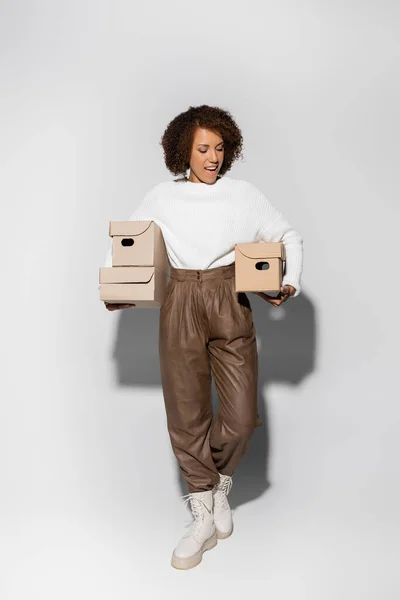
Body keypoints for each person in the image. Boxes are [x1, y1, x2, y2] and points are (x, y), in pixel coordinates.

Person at [103, 105, 303, 570]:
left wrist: (288, 280)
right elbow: (128, 240)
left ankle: (218, 484)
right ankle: (201, 510)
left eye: (219, 148)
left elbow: (286, 233)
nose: (213, 157)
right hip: (180, 300)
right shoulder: (161, 197)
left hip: (228, 295)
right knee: (186, 408)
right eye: (203, 148)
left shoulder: (243, 194)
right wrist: (115, 286)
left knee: (239, 416)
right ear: (182, 151)